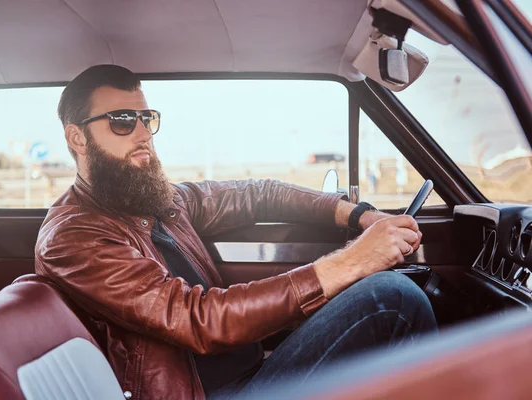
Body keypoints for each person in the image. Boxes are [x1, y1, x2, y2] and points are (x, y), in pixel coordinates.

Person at [35, 65, 437, 400]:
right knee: (392, 299)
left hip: (251, 369)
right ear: (77, 137)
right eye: (122, 121)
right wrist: (351, 262)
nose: (143, 133)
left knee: (383, 295)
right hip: (209, 394)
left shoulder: (159, 202)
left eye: (146, 118)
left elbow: (259, 195)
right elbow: (197, 319)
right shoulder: (73, 236)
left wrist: (360, 216)